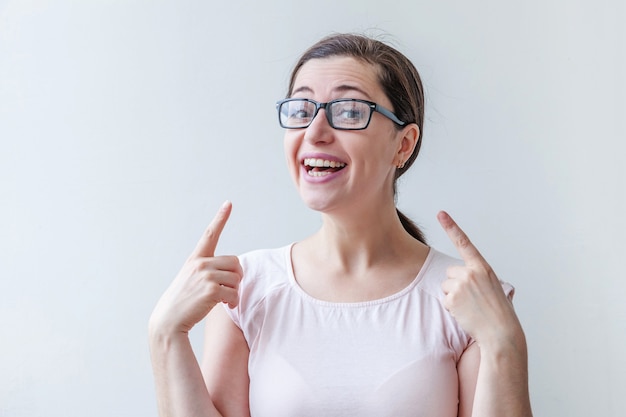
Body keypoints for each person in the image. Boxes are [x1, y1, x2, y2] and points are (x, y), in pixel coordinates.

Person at [148, 33, 533, 417]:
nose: (314, 132)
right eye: (301, 109)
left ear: (403, 143)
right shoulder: (245, 290)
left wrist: (505, 342)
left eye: (349, 111)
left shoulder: (466, 299)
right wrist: (166, 334)